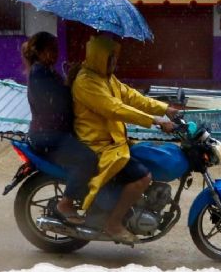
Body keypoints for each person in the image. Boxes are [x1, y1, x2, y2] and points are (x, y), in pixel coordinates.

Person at [71, 33, 178, 243]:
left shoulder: (106, 78)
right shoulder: (86, 82)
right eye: (111, 58)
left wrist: (166, 109)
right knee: (142, 178)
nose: (115, 62)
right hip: (98, 144)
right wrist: (156, 121)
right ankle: (113, 224)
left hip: (113, 141)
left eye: (115, 58)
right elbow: (115, 109)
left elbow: (131, 96)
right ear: (100, 58)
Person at [22, 31, 98, 225]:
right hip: (49, 136)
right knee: (88, 159)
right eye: (51, 50)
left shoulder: (47, 71)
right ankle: (66, 203)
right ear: (39, 52)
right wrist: (72, 81)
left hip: (53, 133)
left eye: (56, 50)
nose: (55, 54)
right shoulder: (40, 73)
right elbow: (59, 101)